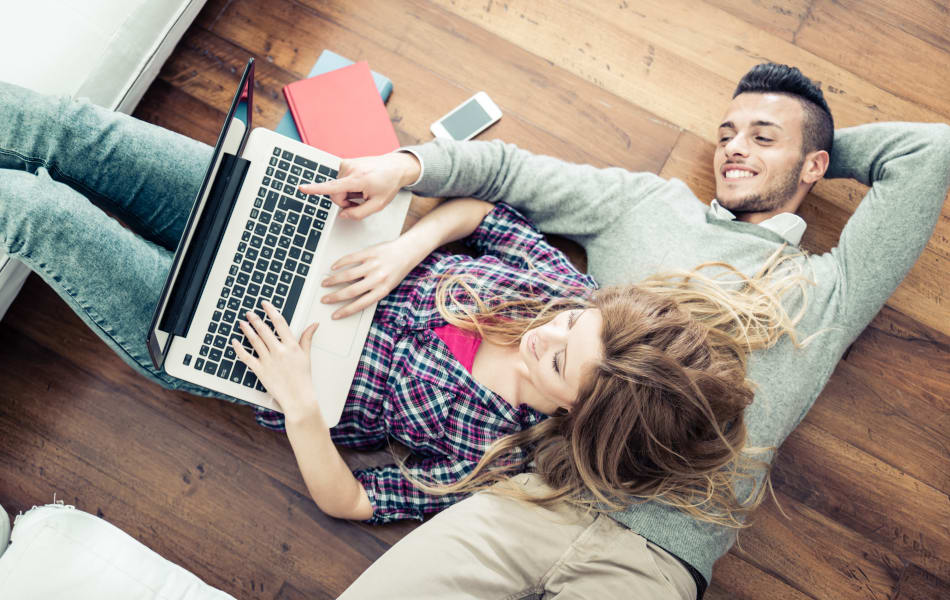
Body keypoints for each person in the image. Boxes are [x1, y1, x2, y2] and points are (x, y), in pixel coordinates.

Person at [0, 77, 796, 530]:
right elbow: (484, 214)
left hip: (237, 346)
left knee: (39, 213)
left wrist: (302, 407)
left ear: (576, 415)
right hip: (290, 233)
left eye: (557, 358)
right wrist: (406, 247)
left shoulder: (503, 458)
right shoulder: (567, 296)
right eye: (569, 322)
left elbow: (350, 499)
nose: (546, 332)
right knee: (74, 134)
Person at [299, 63, 950, 599]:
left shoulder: (828, 290)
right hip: (535, 495)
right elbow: (509, 174)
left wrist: (816, 147)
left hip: (654, 561)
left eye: (762, 135)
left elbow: (930, 152)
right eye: (727, 133)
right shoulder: (649, 206)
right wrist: (406, 166)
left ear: (814, 166)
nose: (734, 147)